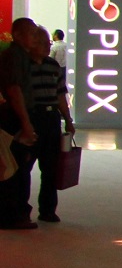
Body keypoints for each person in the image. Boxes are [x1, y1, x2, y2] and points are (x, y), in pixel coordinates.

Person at [23, 25, 73, 223]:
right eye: (43, 43)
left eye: (48, 43)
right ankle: (21, 210)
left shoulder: (53, 66)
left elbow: (60, 95)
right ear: (31, 43)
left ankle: (48, 210)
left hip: (51, 120)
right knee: (24, 167)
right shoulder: (23, 66)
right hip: (31, 118)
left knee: (51, 167)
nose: (47, 46)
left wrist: (67, 119)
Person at [1, 19, 41, 229]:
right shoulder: (15, 56)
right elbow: (14, 89)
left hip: (18, 115)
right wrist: (25, 122)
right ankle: (12, 214)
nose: (35, 38)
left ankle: (15, 212)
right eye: (31, 33)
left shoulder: (21, 56)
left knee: (19, 165)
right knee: (16, 166)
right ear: (17, 35)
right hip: (14, 117)